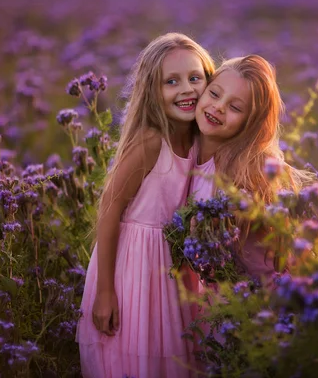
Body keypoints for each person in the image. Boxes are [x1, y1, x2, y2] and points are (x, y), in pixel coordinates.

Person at [76, 32, 215, 378]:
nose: (187, 90)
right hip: (133, 268)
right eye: (172, 82)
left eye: (195, 78)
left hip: (172, 268)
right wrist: (106, 290)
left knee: (171, 354)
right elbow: (109, 210)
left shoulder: (200, 140)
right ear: (153, 92)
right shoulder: (152, 141)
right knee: (135, 354)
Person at [190, 54, 314, 287]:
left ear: (250, 123)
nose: (218, 107)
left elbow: (262, 267)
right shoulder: (189, 153)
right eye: (214, 93)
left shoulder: (246, 174)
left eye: (235, 107)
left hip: (260, 299)